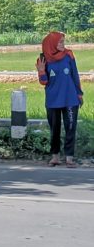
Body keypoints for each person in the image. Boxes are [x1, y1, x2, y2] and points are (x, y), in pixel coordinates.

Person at [36, 31, 84, 168]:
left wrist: (79, 94)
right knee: (54, 129)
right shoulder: (43, 59)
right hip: (53, 100)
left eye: (64, 42)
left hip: (70, 98)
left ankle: (69, 158)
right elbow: (44, 82)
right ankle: (55, 157)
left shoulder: (69, 55)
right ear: (52, 44)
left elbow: (75, 75)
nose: (63, 44)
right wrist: (41, 71)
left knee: (70, 128)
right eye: (60, 42)